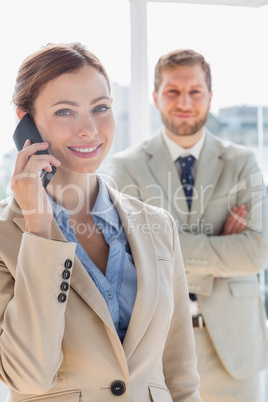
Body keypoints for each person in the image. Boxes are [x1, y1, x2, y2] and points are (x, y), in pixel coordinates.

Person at [0, 43, 202, 402]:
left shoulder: (158, 225)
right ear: (25, 122)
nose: (89, 129)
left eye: (101, 108)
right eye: (65, 112)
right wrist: (38, 231)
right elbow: (28, 376)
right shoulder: (6, 235)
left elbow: (181, 377)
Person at [109, 49, 268, 402]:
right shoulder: (124, 168)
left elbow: (256, 253)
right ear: (155, 97)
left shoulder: (242, 163)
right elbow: (128, 259)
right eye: (172, 91)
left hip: (235, 349)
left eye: (195, 91)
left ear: (210, 96)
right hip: (158, 350)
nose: (184, 102)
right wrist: (221, 253)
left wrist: (164, 251)